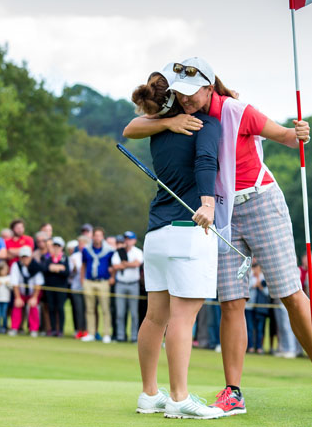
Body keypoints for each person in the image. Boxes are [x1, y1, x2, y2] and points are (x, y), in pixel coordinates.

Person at [124, 57, 312, 414]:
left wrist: (297, 133)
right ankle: (233, 391)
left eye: (193, 93)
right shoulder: (181, 111)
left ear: (210, 86)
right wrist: (172, 121)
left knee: (289, 292)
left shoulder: (240, 111)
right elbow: (134, 126)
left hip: (259, 201)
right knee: (231, 301)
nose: (187, 99)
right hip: (219, 213)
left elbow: (284, 137)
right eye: (182, 94)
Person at [131, 65, 225, 419]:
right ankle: (179, 398)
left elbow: (133, 127)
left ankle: (149, 394)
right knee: (183, 318)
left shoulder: (160, 128)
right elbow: (205, 161)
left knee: (155, 317)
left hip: (155, 234)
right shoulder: (206, 123)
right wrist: (207, 202)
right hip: (189, 230)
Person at [81, 227, 114, 343]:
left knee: (105, 309)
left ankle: (106, 334)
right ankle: (91, 333)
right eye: (96, 235)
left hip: (103, 282)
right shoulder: (86, 250)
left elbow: (112, 266)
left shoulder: (109, 251)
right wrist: (82, 280)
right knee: (90, 309)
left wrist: (112, 277)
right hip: (89, 281)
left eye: (100, 235)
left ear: (103, 237)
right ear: (93, 236)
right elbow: (84, 265)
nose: (97, 238)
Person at [111, 231, 143, 343]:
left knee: (134, 313)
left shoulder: (137, 252)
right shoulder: (118, 252)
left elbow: (137, 264)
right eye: (126, 239)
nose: (127, 241)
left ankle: (134, 337)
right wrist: (129, 264)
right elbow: (115, 266)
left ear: (134, 240)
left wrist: (124, 264)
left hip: (133, 284)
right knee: (120, 313)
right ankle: (121, 336)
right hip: (121, 284)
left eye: (129, 239)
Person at [9, 246, 44, 337]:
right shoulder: (16, 266)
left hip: (33, 292)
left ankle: (33, 329)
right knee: (17, 305)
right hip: (20, 292)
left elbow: (38, 284)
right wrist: (17, 297)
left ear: (31, 257)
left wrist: (34, 298)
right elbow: (14, 282)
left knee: (33, 305)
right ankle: (14, 328)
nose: (25, 259)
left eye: (27, 257)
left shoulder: (36, 266)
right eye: (23, 257)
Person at [42, 236, 69, 337]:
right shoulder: (49, 258)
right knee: (51, 308)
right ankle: (53, 329)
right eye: (55, 246)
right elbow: (45, 270)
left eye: (58, 246)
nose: (56, 248)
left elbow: (66, 272)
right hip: (50, 287)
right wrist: (59, 268)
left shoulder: (65, 258)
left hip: (61, 287)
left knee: (60, 308)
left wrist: (54, 268)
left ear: (62, 247)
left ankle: (60, 330)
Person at [246, 263, 270, 353]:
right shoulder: (249, 276)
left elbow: (267, 292)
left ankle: (259, 347)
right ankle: (251, 347)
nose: (256, 270)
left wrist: (260, 285)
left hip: (260, 309)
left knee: (260, 328)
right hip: (249, 306)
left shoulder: (263, 278)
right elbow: (246, 288)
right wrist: (254, 284)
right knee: (250, 327)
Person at [68, 236, 89, 339]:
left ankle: (88, 331)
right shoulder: (74, 256)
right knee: (78, 309)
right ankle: (79, 330)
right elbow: (70, 274)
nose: (81, 246)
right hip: (76, 287)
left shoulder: (90, 255)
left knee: (88, 309)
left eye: (83, 244)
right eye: (80, 244)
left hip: (87, 287)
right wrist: (75, 268)